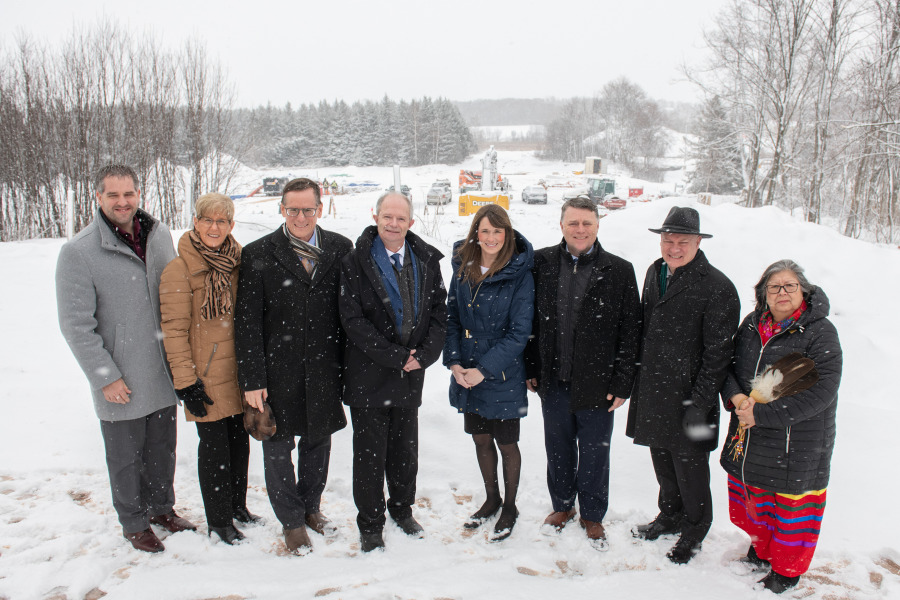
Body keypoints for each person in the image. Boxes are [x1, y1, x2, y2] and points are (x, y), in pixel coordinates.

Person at [56, 164, 196, 553]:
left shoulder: (159, 236)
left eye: (128, 194)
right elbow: (75, 325)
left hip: (161, 369)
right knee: (124, 456)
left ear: (139, 195)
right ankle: (134, 522)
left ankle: (161, 509)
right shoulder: (79, 252)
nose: (122, 202)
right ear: (98, 197)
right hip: (121, 374)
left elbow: (175, 297)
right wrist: (105, 376)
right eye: (113, 195)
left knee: (161, 449)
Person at [235, 177, 352, 555]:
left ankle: (311, 507)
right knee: (277, 447)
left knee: (318, 444)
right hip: (277, 373)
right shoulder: (258, 253)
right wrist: (252, 379)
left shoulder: (340, 249)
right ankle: (291, 521)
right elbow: (247, 323)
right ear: (281, 209)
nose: (300, 216)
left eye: (308, 209)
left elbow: (349, 315)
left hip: (324, 369)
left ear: (321, 208)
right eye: (292, 209)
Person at [524, 196, 641, 551]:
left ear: (597, 226)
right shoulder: (540, 263)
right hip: (553, 378)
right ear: (561, 225)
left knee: (594, 451)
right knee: (558, 447)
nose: (580, 229)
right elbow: (529, 321)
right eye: (573, 223)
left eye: (586, 223)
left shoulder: (619, 270)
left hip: (598, 383)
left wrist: (623, 382)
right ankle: (562, 506)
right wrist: (531, 367)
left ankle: (592, 512)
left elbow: (630, 331)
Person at [626, 206, 740, 564]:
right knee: (662, 459)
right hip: (654, 391)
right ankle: (670, 515)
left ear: (697, 242)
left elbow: (718, 355)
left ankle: (694, 529)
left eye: (683, 241)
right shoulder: (654, 272)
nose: (674, 247)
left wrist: (700, 402)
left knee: (691, 469)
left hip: (692, 396)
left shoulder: (717, 286)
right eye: (668, 240)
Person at [720, 260, 842, 594]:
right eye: (774, 287)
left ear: (803, 290)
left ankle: (787, 571)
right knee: (756, 499)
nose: (782, 292)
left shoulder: (819, 331)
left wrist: (762, 415)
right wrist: (735, 397)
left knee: (791, 509)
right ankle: (761, 550)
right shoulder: (751, 325)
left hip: (796, 440)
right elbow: (727, 366)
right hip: (749, 430)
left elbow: (822, 392)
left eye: (790, 286)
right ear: (763, 294)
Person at [340, 191, 447, 552]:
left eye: (401, 218)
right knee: (369, 455)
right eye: (387, 216)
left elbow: (438, 311)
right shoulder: (355, 262)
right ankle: (370, 523)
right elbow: (352, 320)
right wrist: (396, 356)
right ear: (376, 216)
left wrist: (426, 355)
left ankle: (401, 509)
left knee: (404, 451)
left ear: (411, 222)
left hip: (410, 374)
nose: (393, 223)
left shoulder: (427, 260)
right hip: (369, 375)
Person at [159, 193, 260, 545]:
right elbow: (172, 331)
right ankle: (218, 521)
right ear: (196, 222)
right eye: (207, 220)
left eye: (222, 221)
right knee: (215, 449)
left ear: (231, 225)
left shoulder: (239, 262)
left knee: (239, 443)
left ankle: (237, 507)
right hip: (205, 377)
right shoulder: (179, 269)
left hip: (237, 373)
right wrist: (186, 382)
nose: (214, 227)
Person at [444, 204, 534, 542]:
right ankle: (491, 498)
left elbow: (519, 332)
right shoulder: (464, 266)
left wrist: (484, 370)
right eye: (485, 231)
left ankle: (510, 505)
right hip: (466, 368)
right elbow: (452, 316)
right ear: (476, 234)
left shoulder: (519, 273)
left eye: (498, 231)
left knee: (506, 442)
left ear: (507, 234)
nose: (491, 237)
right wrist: (454, 363)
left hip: (502, 372)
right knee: (480, 438)